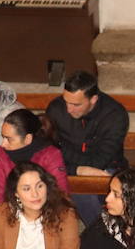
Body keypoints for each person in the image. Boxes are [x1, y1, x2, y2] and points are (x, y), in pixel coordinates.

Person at [45, 70, 128, 222]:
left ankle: (103, 233)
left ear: (93, 99)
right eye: (66, 101)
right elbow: (48, 152)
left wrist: (66, 156)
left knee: (84, 189)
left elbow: (100, 160)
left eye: (76, 104)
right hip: (63, 169)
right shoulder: (56, 109)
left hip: (107, 168)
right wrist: (77, 169)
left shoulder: (115, 114)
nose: (69, 109)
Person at [0, 107, 67, 210]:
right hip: (12, 213)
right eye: (3, 137)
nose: (3, 144)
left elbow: (60, 193)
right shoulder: (0, 154)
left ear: (27, 139)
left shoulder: (51, 154)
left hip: (47, 212)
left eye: (9, 139)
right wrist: (8, 215)